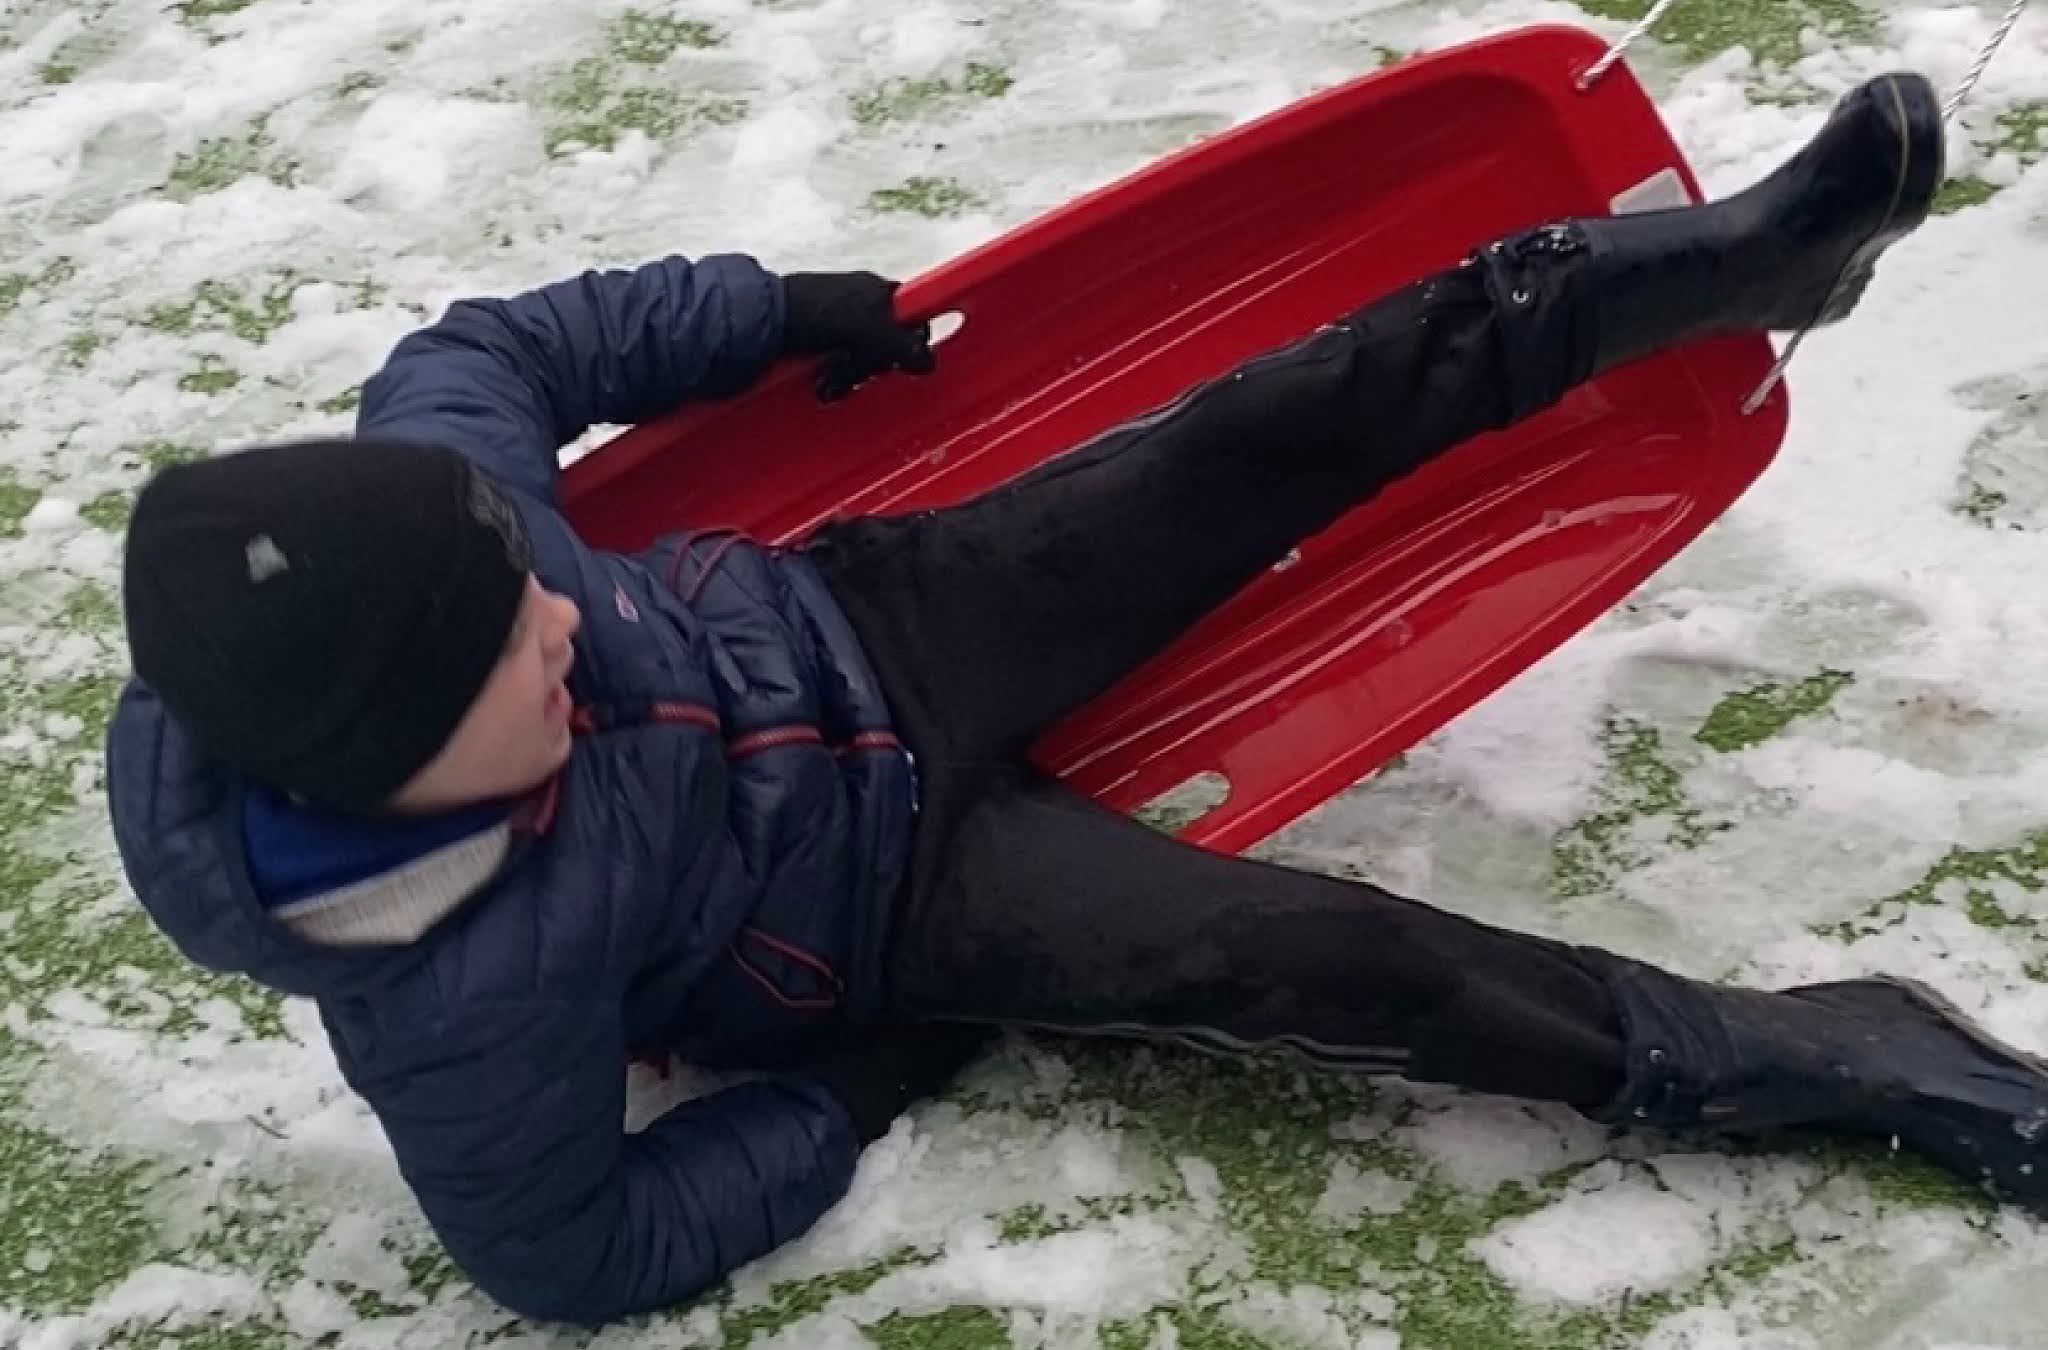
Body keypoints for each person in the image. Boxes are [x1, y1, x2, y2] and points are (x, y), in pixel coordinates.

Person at [105, 69, 2048, 1328]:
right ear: (399, 783)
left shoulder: (432, 531)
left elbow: (490, 349)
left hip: (870, 620)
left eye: (534, 578)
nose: (562, 621)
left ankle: (1728, 271)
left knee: (1267, 430)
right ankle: (1844, 1059)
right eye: (513, 650)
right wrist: (834, 1097)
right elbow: (560, 1255)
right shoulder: (452, 1002)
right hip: (895, 910)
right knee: (1339, 967)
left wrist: (775, 312)